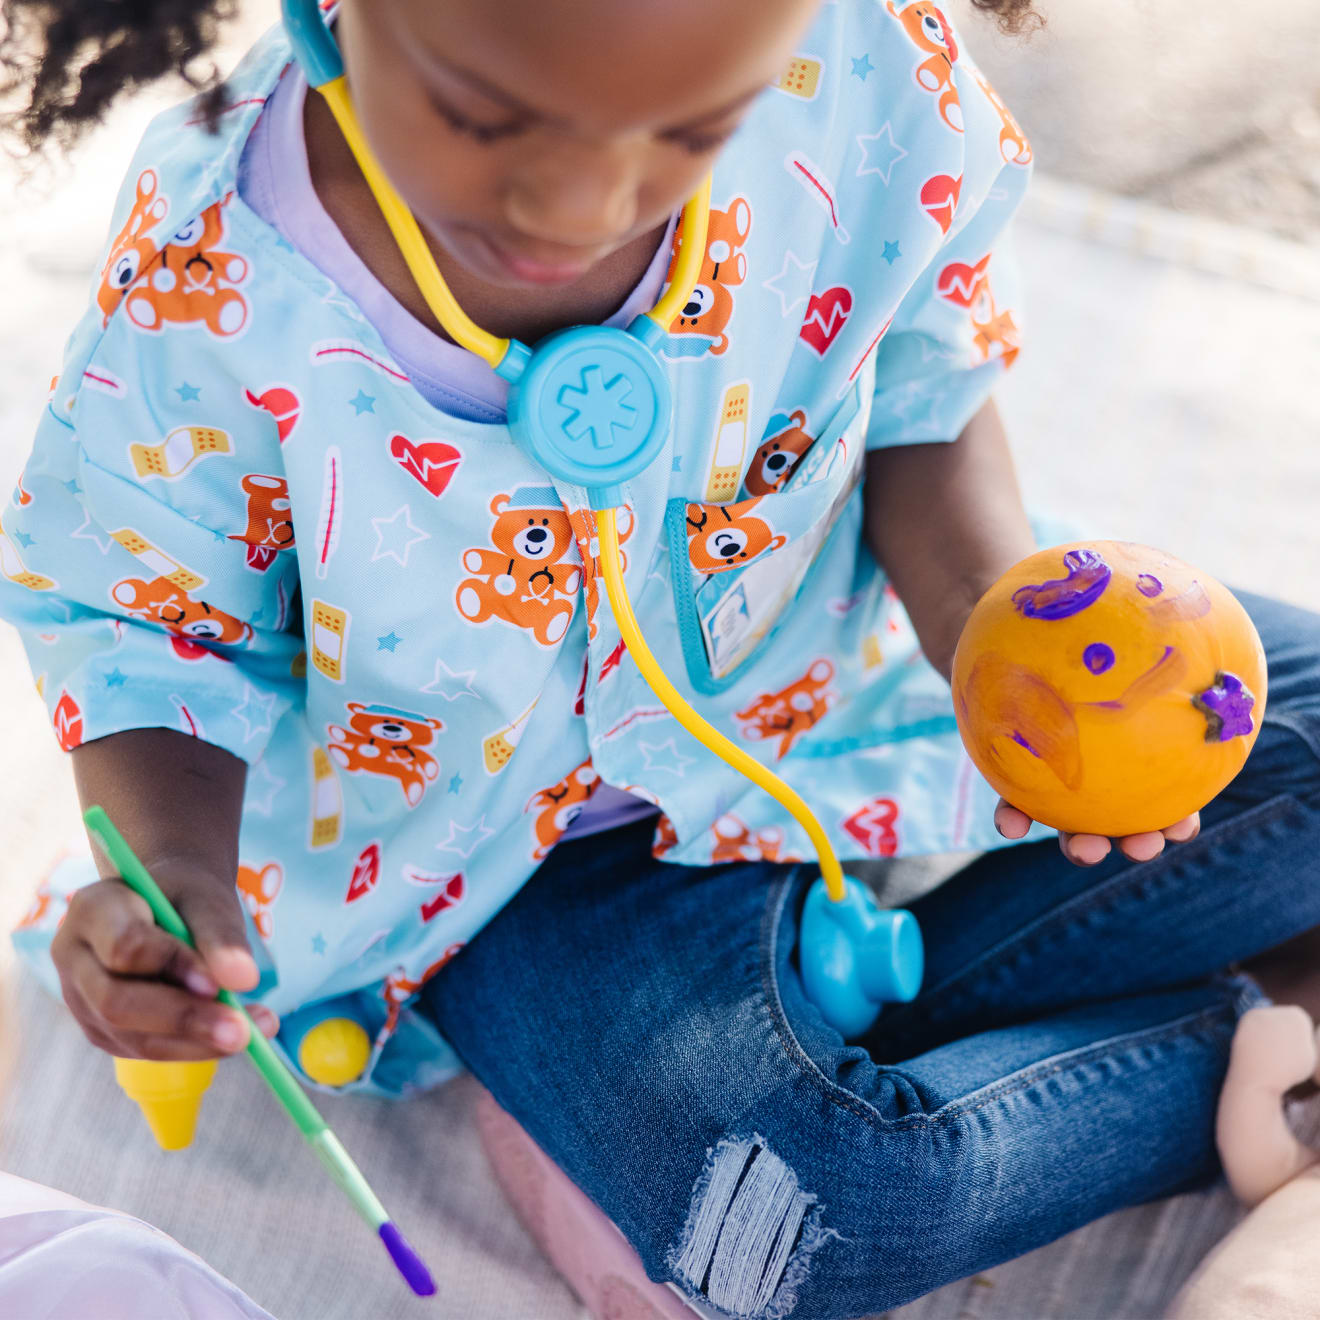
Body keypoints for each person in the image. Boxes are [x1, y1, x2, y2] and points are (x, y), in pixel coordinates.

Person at [1, 0, 1319, 1314]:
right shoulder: (215, 274)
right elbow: (142, 621)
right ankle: (1279, 1048)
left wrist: (980, 626)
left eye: (689, 130)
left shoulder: (862, 64)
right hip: (502, 878)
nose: (576, 204)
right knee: (800, 1219)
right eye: (484, 117)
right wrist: (177, 876)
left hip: (807, 712)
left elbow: (922, 387)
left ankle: (676, 1094)